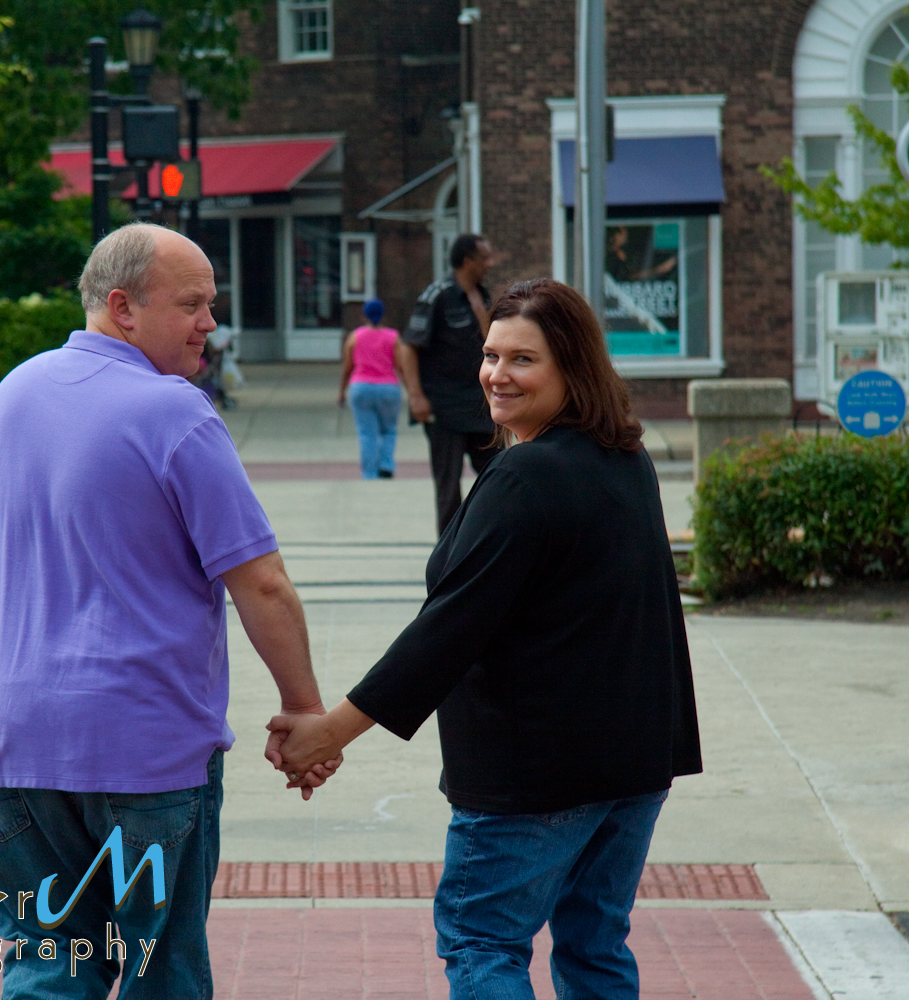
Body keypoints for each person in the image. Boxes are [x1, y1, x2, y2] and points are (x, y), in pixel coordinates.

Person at [267, 278, 703, 1000]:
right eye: (491, 354)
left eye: (523, 360)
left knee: (482, 942)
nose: (497, 374)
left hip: (538, 772)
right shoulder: (625, 459)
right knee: (595, 946)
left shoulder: (525, 476)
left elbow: (448, 631)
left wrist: (330, 731)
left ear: (573, 368)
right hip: (635, 762)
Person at [0, 223, 339, 999]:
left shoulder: (11, 397)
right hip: (146, 753)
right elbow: (261, 583)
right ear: (123, 308)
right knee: (161, 969)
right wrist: (305, 710)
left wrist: (7, 659)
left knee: (46, 962)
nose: (211, 324)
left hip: (19, 747)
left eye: (212, 304)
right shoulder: (176, 415)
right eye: (192, 304)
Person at [398, 233, 504, 533]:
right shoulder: (437, 296)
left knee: (498, 475)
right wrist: (416, 396)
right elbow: (408, 346)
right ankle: (449, 555)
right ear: (467, 261)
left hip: (480, 407)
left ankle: (493, 537)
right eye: (485, 258)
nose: (490, 263)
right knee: (448, 487)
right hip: (444, 409)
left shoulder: (482, 295)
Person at [338, 297, 406, 479]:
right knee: (389, 430)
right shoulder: (393, 337)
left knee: (366, 433)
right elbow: (400, 366)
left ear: (364, 316)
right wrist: (409, 388)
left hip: (360, 387)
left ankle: (369, 472)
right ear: (382, 314)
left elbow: (347, 368)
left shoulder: (354, 337)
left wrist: (341, 392)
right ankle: (386, 465)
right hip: (388, 387)